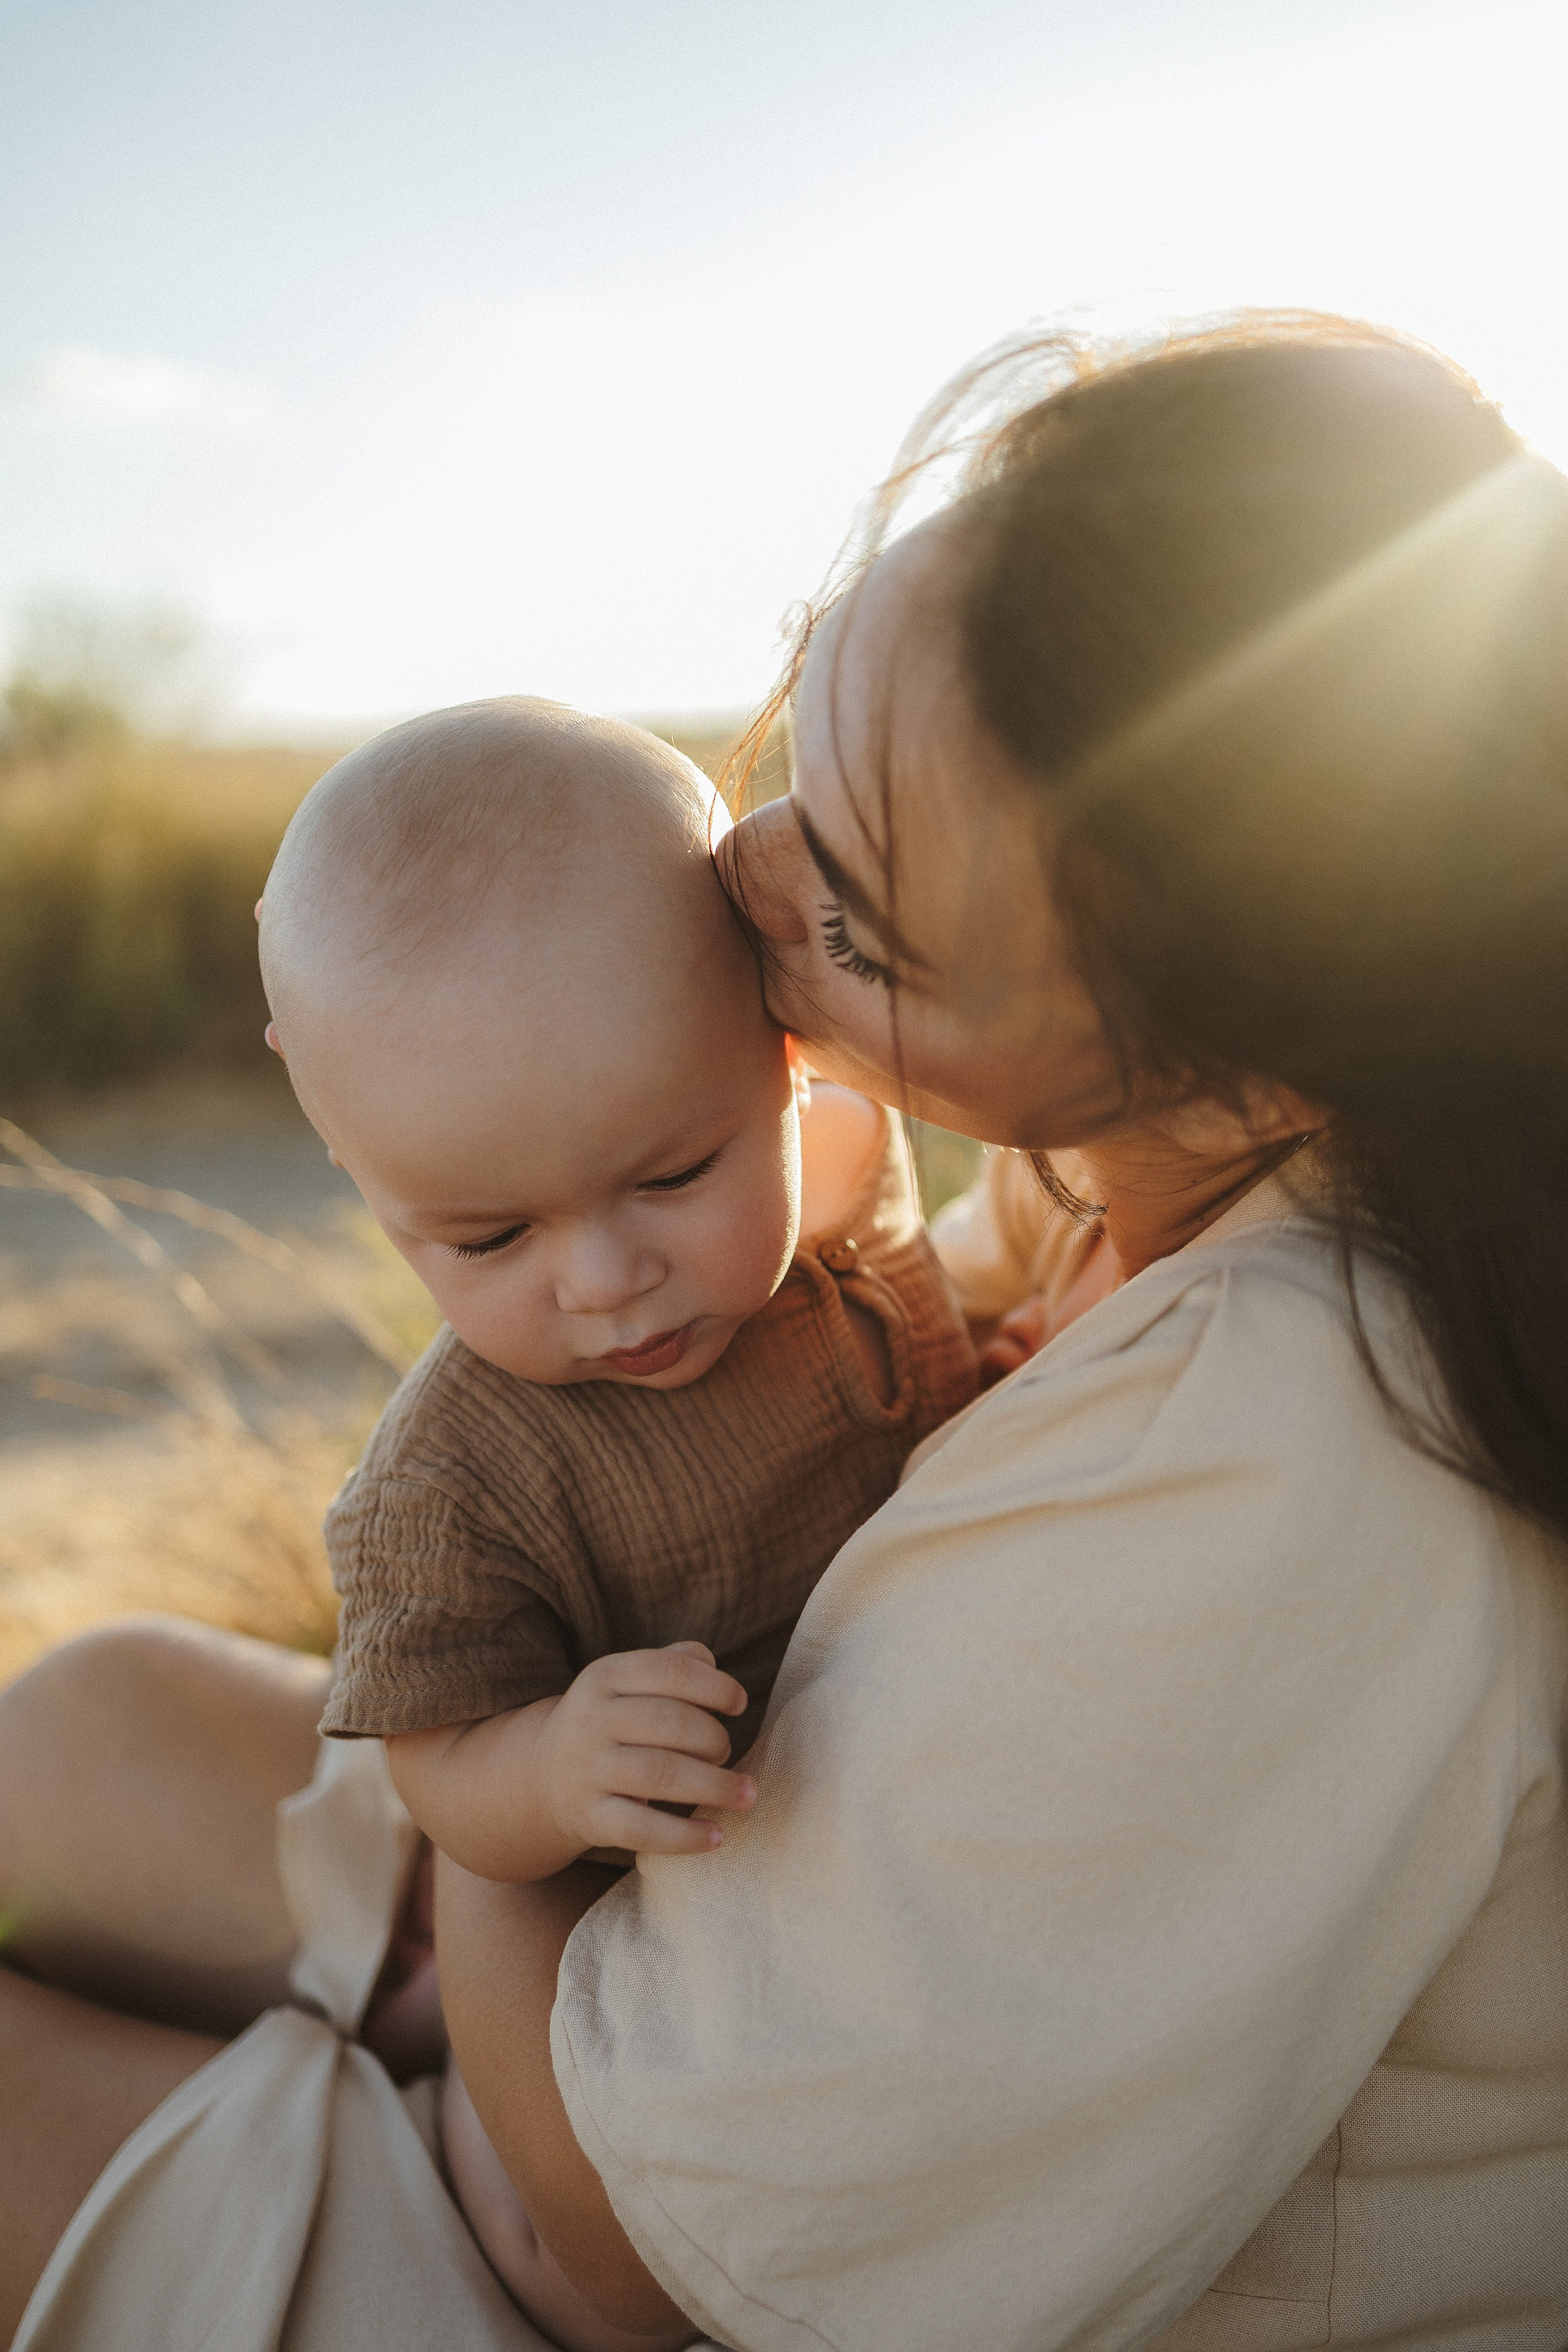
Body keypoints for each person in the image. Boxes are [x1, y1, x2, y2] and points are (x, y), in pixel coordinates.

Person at [5, 312, 1568, 2351]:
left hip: (606, 2227)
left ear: (1242, 1062)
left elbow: (643, 2254)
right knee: (85, 1720)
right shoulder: (1160, 1167)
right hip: (678, 1905)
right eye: (802, 748)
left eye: (858, 915)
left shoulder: (1291, 1474)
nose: (738, 873)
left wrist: (501, 1835)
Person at [255, 696, 976, 2345]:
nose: (603, 1278)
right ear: (352, 1157)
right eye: (485, 1239)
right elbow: (440, 1767)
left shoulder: (849, 1183)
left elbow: (917, 1321)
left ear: (785, 1049)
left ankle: (366, 2015)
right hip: (624, 1968)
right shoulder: (449, 1488)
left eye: (673, 1174)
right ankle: (398, 2070)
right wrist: (548, 1768)